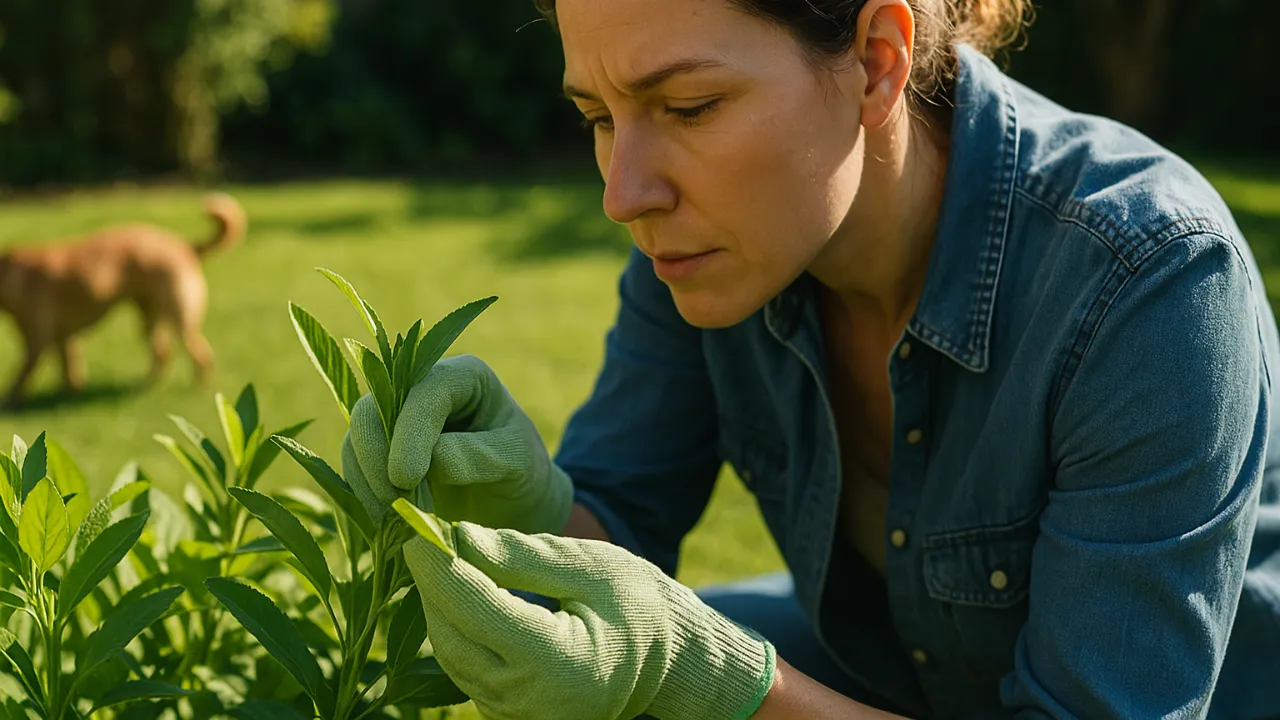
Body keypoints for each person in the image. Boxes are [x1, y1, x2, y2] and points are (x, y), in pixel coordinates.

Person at [340, 0, 1280, 717]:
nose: (624, 195)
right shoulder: (710, 248)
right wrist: (525, 504)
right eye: (598, 116)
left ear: (877, 63)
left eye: (689, 106)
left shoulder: (1146, 280)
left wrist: (712, 679)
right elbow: (614, 545)